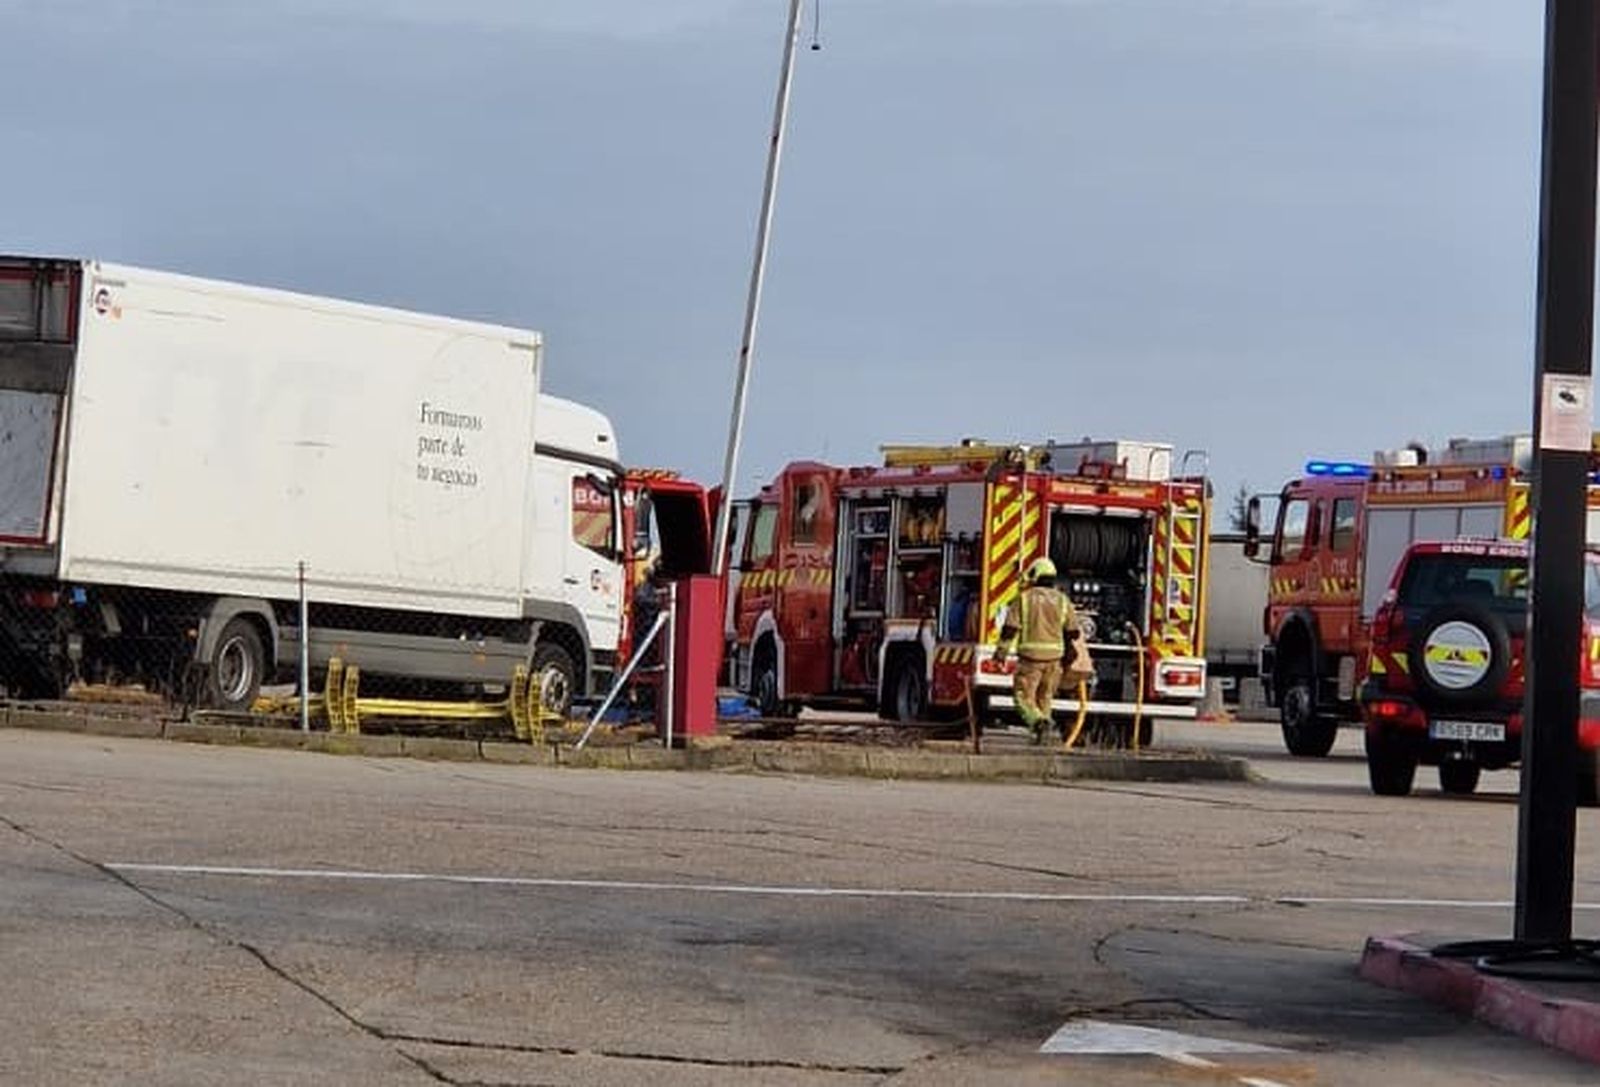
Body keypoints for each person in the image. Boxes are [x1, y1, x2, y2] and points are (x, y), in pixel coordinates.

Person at [993, 558, 1083, 743]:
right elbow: (1073, 632)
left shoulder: (1024, 599)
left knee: (1023, 699)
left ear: (1035, 575)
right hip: (1054, 661)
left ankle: (1038, 723)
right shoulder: (1063, 600)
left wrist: (1001, 653)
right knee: (1045, 698)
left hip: (1030, 660)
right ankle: (1043, 733)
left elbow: (1010, 629)